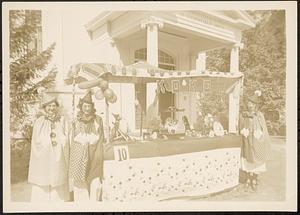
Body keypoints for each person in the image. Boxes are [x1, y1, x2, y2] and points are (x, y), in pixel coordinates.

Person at [28, 93, 69, 201]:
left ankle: (57, 199)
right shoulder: (39, 121)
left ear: (56, 107)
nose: (51, 108)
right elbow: (36, 140)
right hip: (43, 155)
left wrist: (63, 140)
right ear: (45, 107)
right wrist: (46, 143)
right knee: (44, 174)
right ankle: (42, 199)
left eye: (53, 106)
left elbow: (65, 134)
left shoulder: (61, 120)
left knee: (57, 174)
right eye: (49, 106)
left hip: (58, 154)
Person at [69, 91, 105, 201]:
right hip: (80, 152)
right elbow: (73, 137)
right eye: (85, 106)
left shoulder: (97, 119)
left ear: (92, 107)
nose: (87, 109)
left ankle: (94, 202)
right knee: (80, 178)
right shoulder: (76, 119)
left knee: (95, 177)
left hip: (94, 152)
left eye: (89, 106)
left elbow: (101, 136)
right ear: (81, 107)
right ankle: (81, 202)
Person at [239, 90, 271, 191]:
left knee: (257, 157)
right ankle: (248, 178)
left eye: (252, 103)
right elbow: (241, 125)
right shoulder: (244, 115)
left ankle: (255, 179)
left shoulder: (259, 115)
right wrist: (243, 130)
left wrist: (260, 134)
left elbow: (263, 127)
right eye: (249, 103)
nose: (250, 105)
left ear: (255, 105)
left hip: (257, 140)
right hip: (247, 140)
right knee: (248, 158)